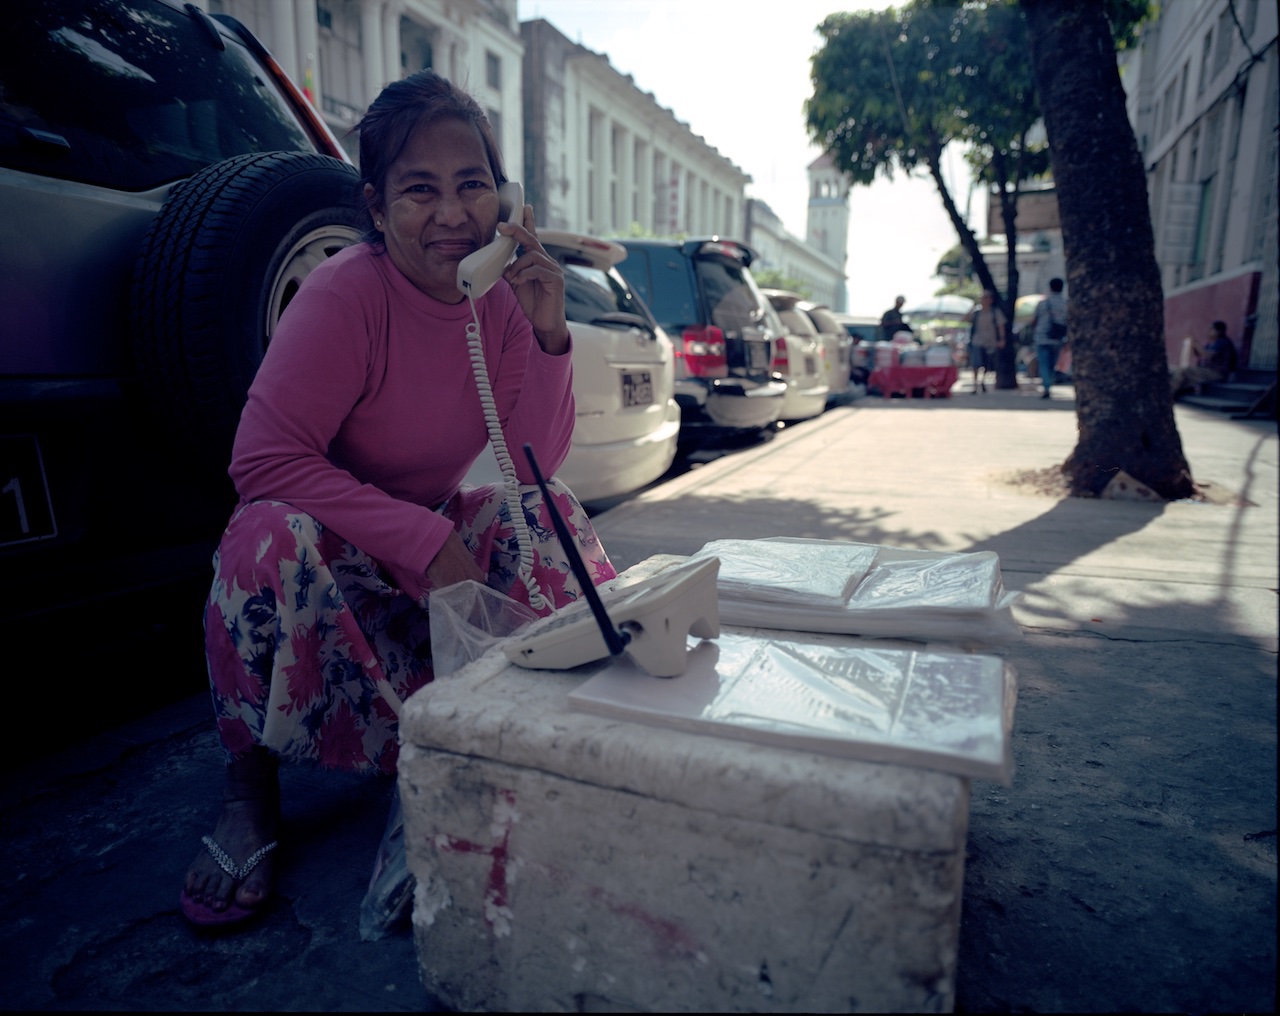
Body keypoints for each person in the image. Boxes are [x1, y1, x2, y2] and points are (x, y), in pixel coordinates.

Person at [179, 70, 616, 926]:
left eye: (473, 186)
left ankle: (530, 735)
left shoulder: (499, 304)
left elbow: (535, 468)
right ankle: (249, 784)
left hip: (426, 569)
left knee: (550, 513)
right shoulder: (347, 294)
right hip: (335, 557)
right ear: (377, 210)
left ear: (506, 199)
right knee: (259, 539)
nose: (453, 215)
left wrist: (549, 331)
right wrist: (415, 536)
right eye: (421, 191)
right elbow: (261, 460)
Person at [1170, 321, 1238, 398]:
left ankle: (1168, 394)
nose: (1208, 331)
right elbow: (1199, 354)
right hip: (1207, 371)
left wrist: (1195, 343)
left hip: (1217, 373)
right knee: (1177, 372)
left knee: (1183, 371)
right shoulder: (1211, 343)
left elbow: (1207, 355)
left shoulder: (1223, 342)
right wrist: (1193, 345)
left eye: (1211, 329)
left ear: (1219, 331)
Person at [1031, 277, 1068, 399]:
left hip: (1042, 337)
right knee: (1052, 363)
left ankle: (1046, 386)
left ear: (1050, 287)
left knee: (1043, 363)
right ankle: (1049, 382)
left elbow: (1034, 320)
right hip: (1057, 338)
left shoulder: (1043, 303)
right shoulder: (1065, 304)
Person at [967, 290, 1007, 394]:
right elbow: (965, 319)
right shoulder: (976, 312)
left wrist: (1002, 339)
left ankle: (983, 382)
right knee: (976, 364)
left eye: (986, 298)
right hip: (977, 341)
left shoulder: (995, 312)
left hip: (990, 341)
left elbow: (1000, 326)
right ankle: (975, 385)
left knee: (986, 364)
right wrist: (971, 308)